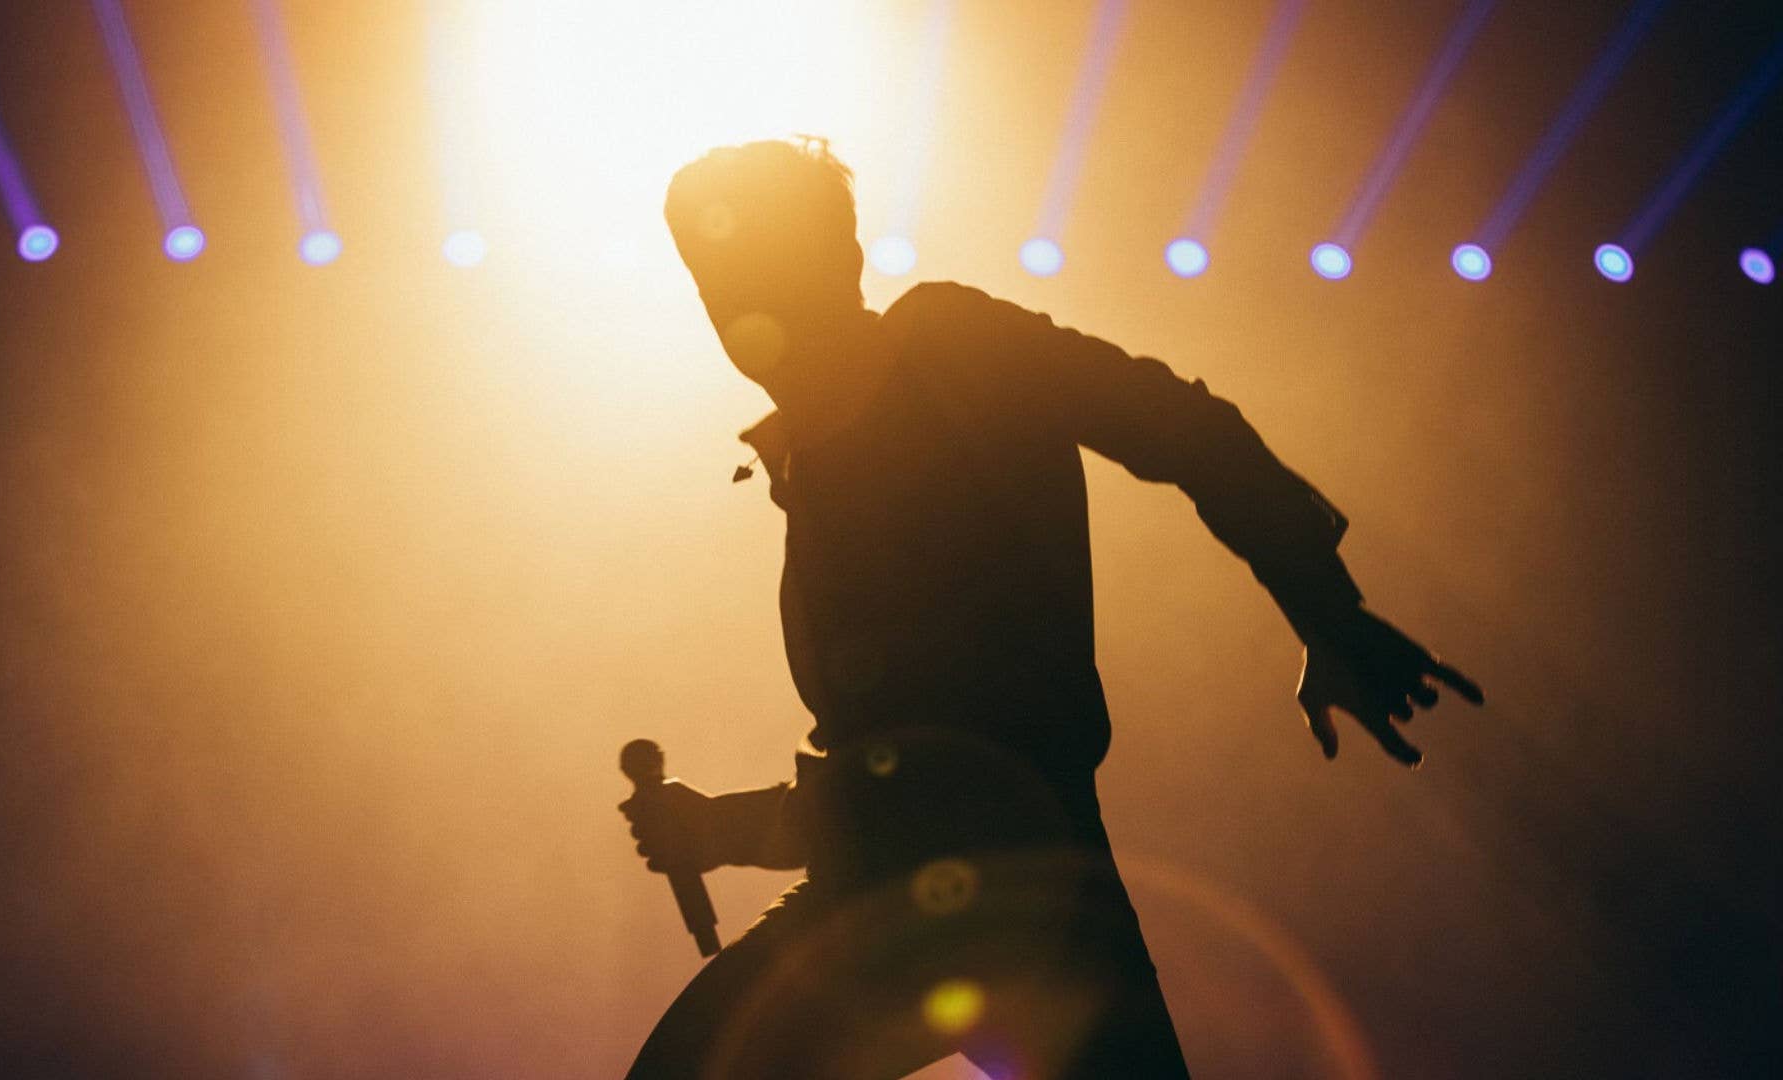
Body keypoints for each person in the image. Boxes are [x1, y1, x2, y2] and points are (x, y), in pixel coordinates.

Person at [619, 137, 1481, 1079]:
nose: (736, 311)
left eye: (756, 270)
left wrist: (1328, 608)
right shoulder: (808, 455)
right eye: (711, 282)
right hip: (952, 901)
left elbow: (1181, 425)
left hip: (990, 902)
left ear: (842, 261)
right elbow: (901, 777)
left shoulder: (949, 349)